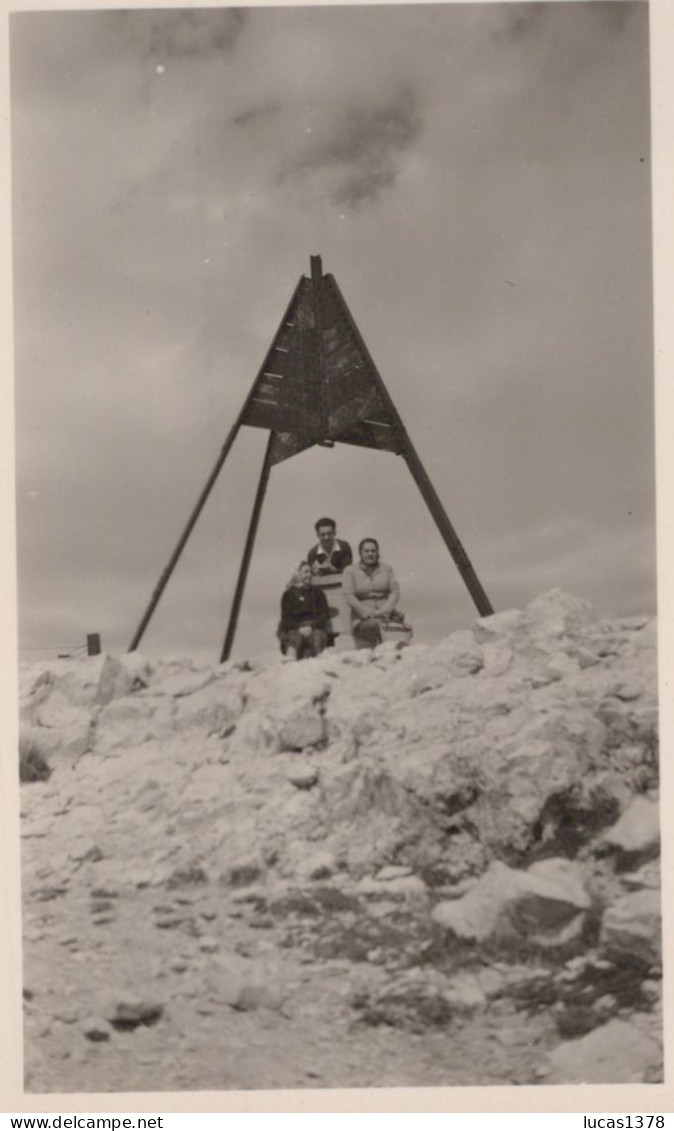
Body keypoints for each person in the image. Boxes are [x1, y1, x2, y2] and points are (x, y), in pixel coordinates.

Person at [341, 538, 404, 649]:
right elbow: (348, 596)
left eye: (373, 551)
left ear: (377, 552)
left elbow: (395, 591)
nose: (370, 554)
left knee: (401, 629)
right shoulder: (350, 571)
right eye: (366, 551)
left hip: (386, 615)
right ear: (360, 553)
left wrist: (385, 611)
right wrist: (368, 613)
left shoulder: (386, 569)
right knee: (379, 626)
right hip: (362, 619)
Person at [278, 561, 330, 660]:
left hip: (314, 627)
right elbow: (286, 618)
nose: (309, 575)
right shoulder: (288, 594)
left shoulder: (318, 593)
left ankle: (321, 662)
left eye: (310, 572)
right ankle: (290, 664)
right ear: (297, 574)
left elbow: (324, 614)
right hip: (295, 628)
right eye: (306, 572)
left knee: (318, 638)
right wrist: (299, 628)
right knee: (294, 639)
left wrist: (311, 627)